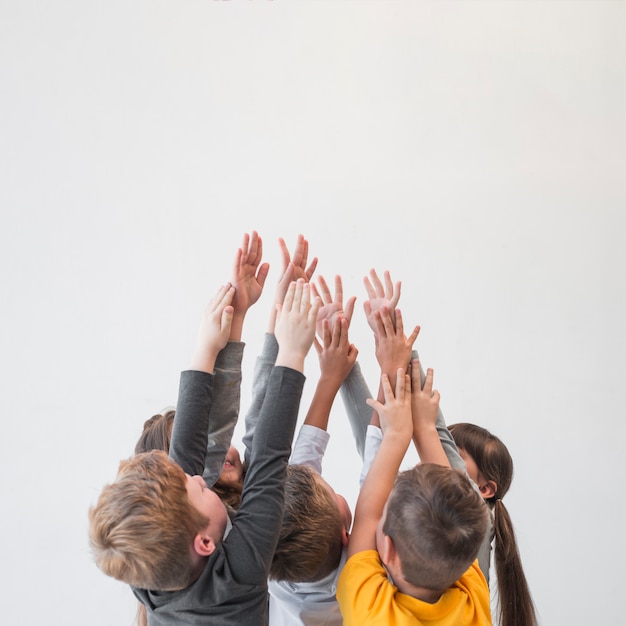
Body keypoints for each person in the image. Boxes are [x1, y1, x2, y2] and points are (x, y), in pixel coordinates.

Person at [89, 234, 320, 625]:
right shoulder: (241, 573)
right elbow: (267, 459)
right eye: (195, 488)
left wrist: (210, 344)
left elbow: (191, 449)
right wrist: (293, 352)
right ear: (205, 543)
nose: (198, 478)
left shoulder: (149, 568)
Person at [336, 358, 491, 625]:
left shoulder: (371, 612)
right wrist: (420, 429)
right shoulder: (473, 601)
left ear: (389, 549)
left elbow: (366, 516)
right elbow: (372, 516)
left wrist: (406, 431)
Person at [448, 423, 538, 626]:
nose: (438, 452)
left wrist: (427, 424)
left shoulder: (478, 519)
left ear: (484, 489)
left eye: (453, 452)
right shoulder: (424, 517)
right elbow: (376, 448)